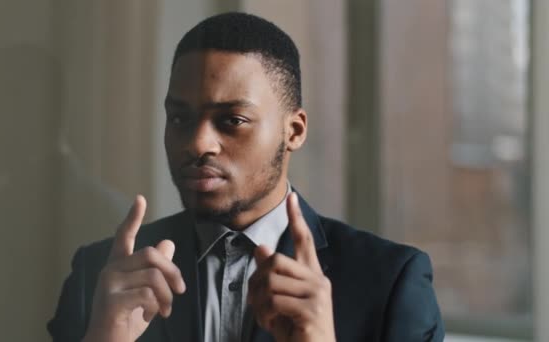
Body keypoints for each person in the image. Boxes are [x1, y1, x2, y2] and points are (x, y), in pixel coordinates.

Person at [48, 12, 444, 342]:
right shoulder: (99, 276)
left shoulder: (391, 283)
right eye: (180, 118)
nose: (199, 143)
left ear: (295, 131)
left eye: (232, 120)